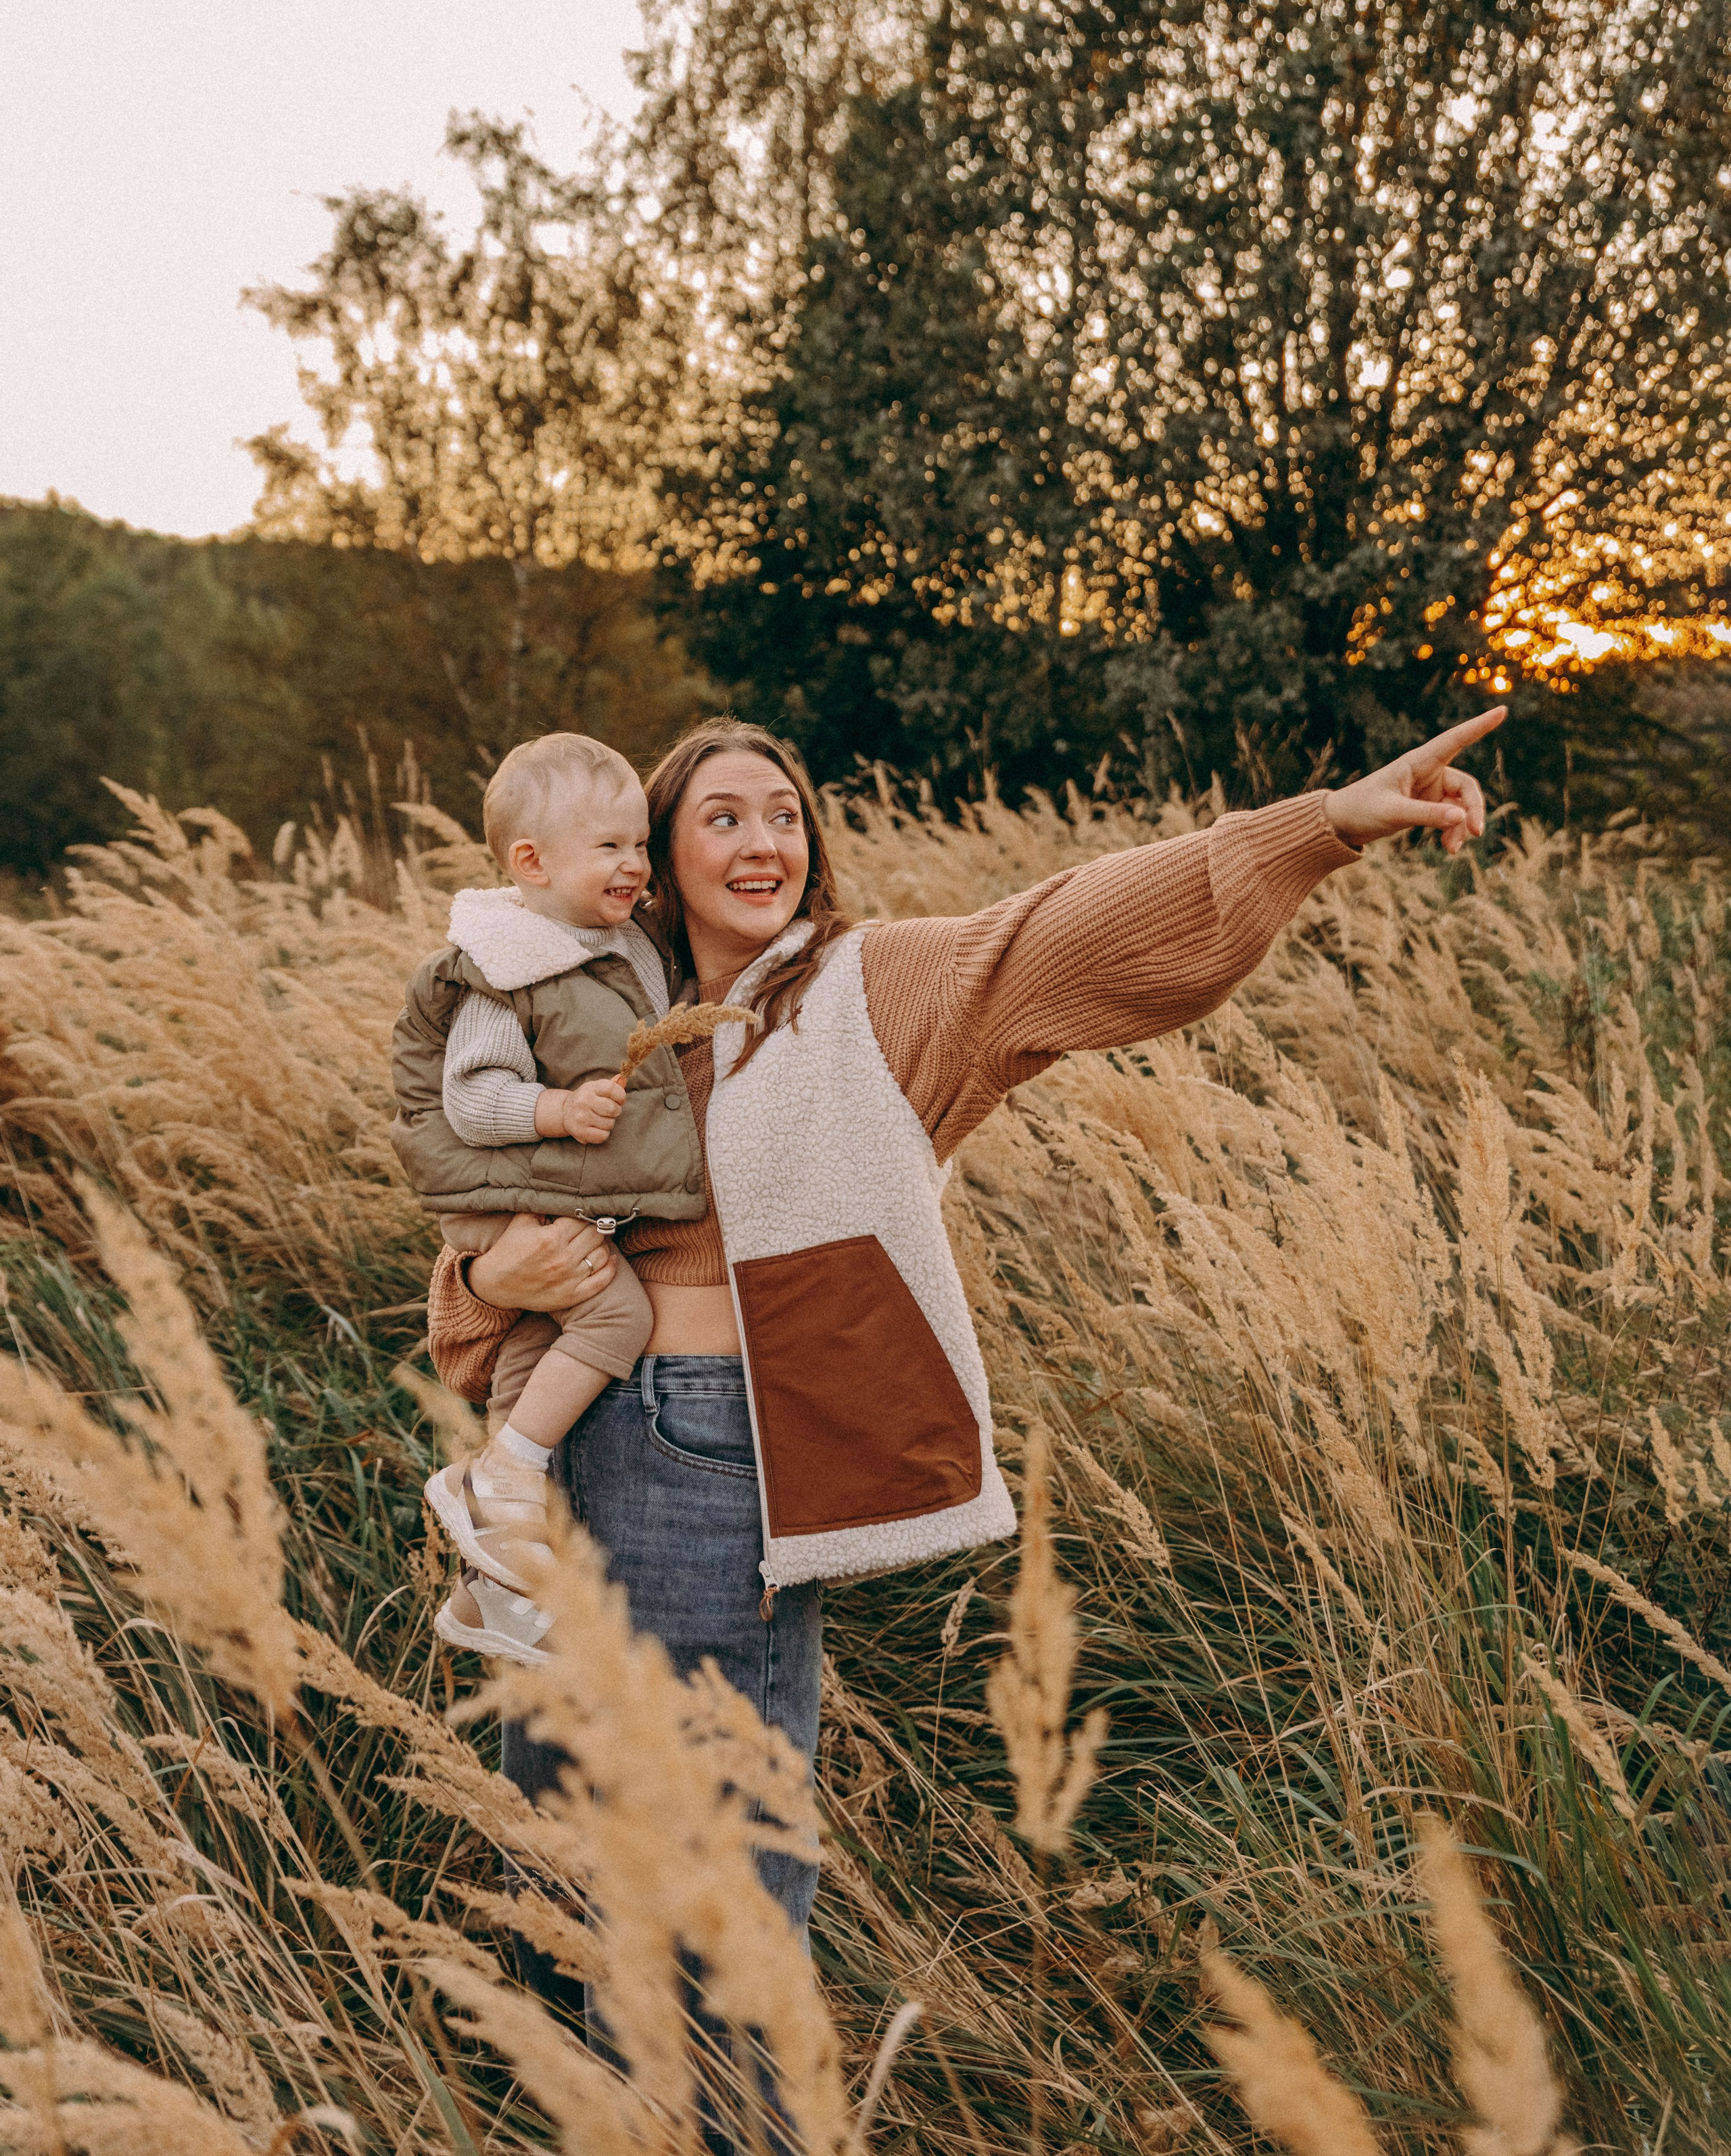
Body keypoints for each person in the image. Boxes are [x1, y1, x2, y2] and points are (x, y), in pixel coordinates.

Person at [425, 704, 1507, 1941]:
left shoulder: (859, 992)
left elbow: (1066, 932)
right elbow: (469, 1264)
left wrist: (1320, 827)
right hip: (558, 1464)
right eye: (722, 818)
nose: (763, 842)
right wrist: (499, 1284)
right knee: (576, 1869)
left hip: (711, 1457)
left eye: (785, 817)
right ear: (655, 855)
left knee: (712, 1884)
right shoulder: (584, 1008)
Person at [392, 728, 711, 1664]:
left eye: (640, 845)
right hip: (512, 1191)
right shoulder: (509, 961)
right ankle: (504, 1474)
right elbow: (473, 1099)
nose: (634, 864)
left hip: (555, 1192)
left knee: (531, 1357)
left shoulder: (615, 945)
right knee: (616, 1316)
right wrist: (558, 1108)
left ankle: (499, 1587)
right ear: (530, 862)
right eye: (608, 847)